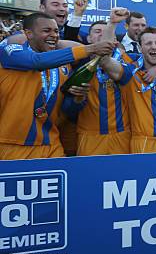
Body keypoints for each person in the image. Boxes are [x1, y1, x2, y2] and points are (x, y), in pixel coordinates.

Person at [0, 12, 115, 160]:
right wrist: (90, 49)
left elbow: (66, 111)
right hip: (12, 145)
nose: (54, 35)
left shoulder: (64, 65)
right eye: (46, 31)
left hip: (51, 145)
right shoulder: (10, 52)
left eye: (56, 31)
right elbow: (36, 61)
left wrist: (77, 98)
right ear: (29, 33)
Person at [75, 17, 132, 156]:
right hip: (89, 136)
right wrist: (76, 100)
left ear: (114, 40)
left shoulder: (128, 59)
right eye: (97, 31)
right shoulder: (77, 63)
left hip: (121, 134)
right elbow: (67, 109)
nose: (102, 34)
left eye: (106, 32)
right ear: (88, 38)